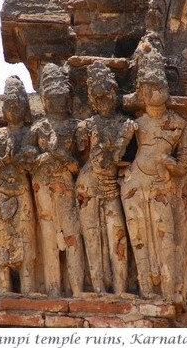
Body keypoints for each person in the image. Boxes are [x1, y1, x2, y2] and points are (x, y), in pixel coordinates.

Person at [121, 59, 187, 299]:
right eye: (147, 88)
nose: (154, 93)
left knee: (165, 235)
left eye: (159, 86)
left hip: (162, 184)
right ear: (140, 93)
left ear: (168, 88)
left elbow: (183, 167)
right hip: (135, 184)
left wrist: (170, 164)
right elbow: (117, 157)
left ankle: (169, 290)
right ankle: (147, 290)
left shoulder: (179, 124)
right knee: (140, 237)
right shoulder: (136, 125)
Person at [76, 62, 135, 294]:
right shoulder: (88, 125)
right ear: (91, 98)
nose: (103, 100)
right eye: (97, 96)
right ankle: (99, 289)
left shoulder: (126, 123)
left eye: (107, 93)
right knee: (92, 237)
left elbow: (120, 156)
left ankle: (120, 289)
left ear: (115, 92)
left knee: (117, 235)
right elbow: (85, 151)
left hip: (111, 186)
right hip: (88, 185)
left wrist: (123, 138)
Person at [28, 63, 85, 297]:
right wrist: (44, 156)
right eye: (51, 95)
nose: (57, 100)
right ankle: (52, 289)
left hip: (67, 185)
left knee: (73, 234)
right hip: (42, 185)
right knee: (48, 235)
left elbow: (80, 166)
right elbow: (27, 161)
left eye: (61, 95)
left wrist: (63, 157)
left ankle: (78, 290)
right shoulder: (38, 128)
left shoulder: (75, 126)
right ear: (43, 98)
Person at [0, 76, 38, 295]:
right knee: (1, 240)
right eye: (9, 104)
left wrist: (25, 157)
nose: (13, 108)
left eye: (18, 104)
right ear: (3, 108)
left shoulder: (31, 133)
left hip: (21, 189)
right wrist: (3, 160)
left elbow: (33, 162)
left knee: (26, 239)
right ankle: (4, 288)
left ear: (26, 108)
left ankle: (28, 288)